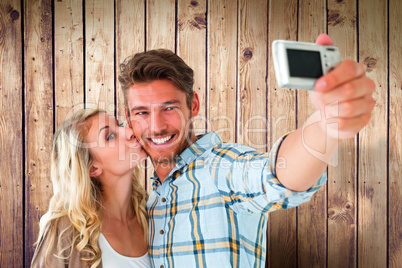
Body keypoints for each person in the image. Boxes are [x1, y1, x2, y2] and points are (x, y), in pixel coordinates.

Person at [118, 34, 375, 267]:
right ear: (129, 120)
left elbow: (275, 175)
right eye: (141, 112)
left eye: (169, 108)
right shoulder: (149, 201)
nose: (157, 126)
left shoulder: (221, 168)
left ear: (193, 105)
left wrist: (326, 124)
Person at [31, 109, 151, 267]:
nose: (129, 132)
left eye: (119, 125)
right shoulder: (65, 231)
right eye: (110, 136)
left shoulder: (152, 213)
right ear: (93, 168)